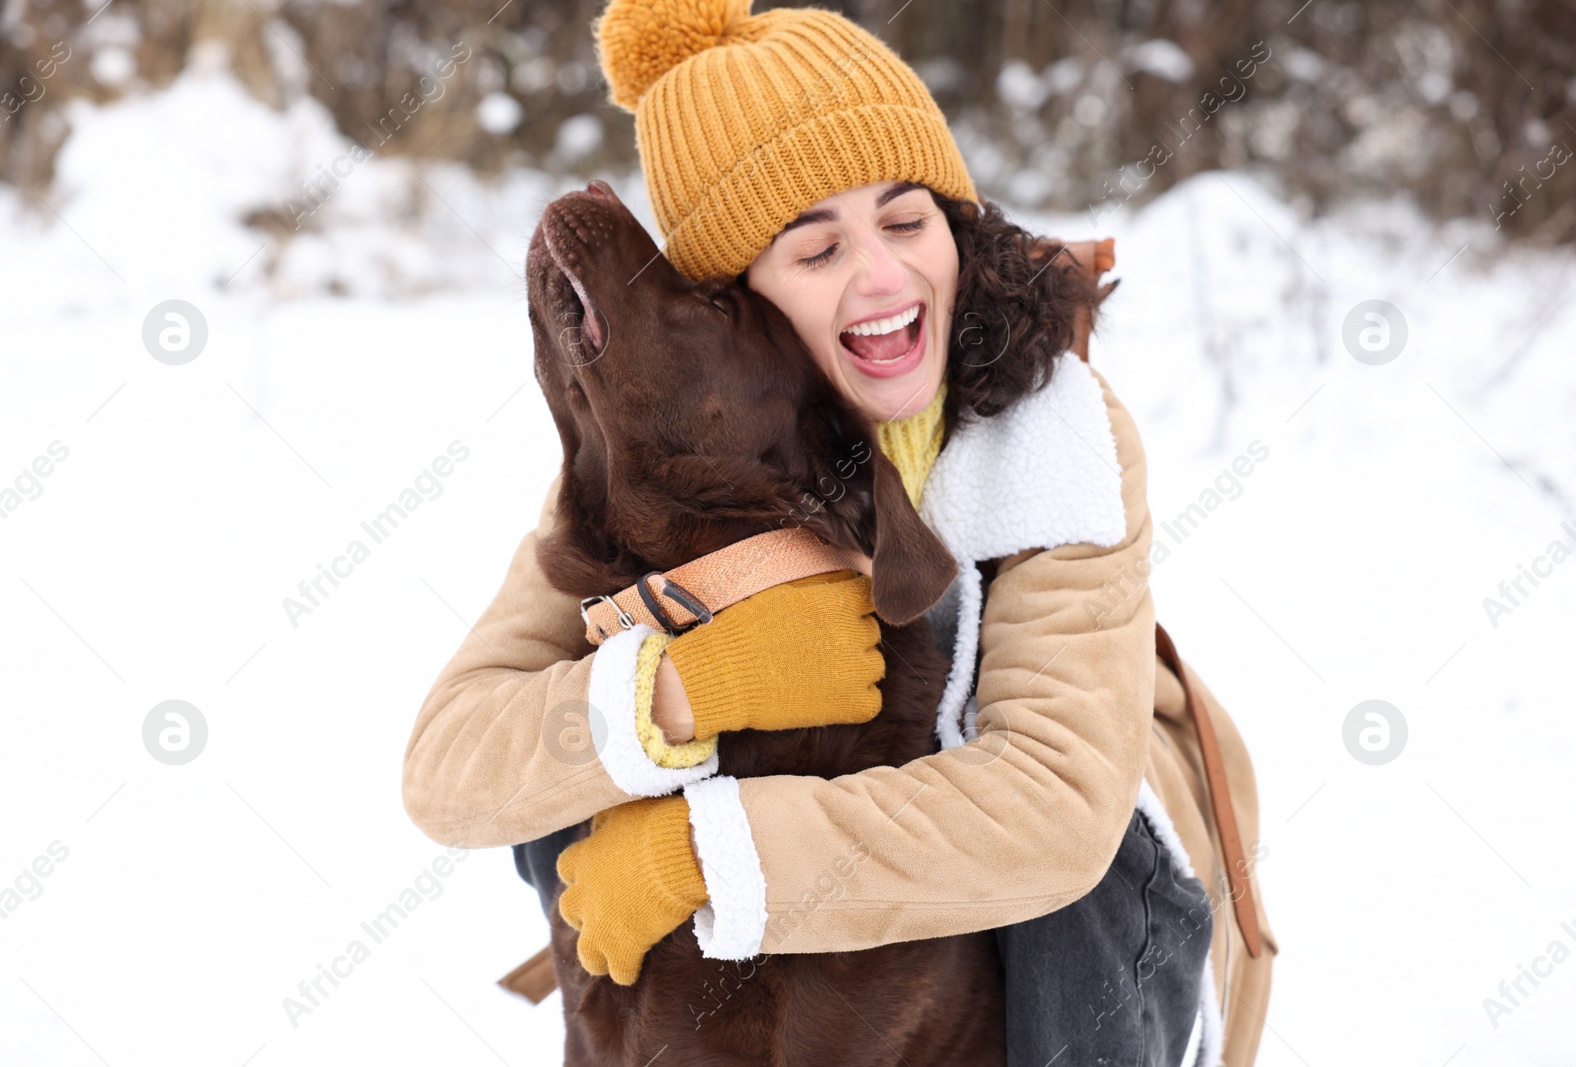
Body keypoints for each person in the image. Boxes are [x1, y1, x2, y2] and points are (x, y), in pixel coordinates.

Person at [403, 1, 1275, 1063]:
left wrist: (698, 854)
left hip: (1079, 869)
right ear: (737, 301)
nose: (881, 277)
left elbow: (1051, 809)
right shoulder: (668, 461)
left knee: (1069, 900)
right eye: (814, 249)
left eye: (908, 222)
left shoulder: (1054, 428)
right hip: (829, 870)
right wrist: (676, 694)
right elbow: (448, 766)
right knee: (570, 778)